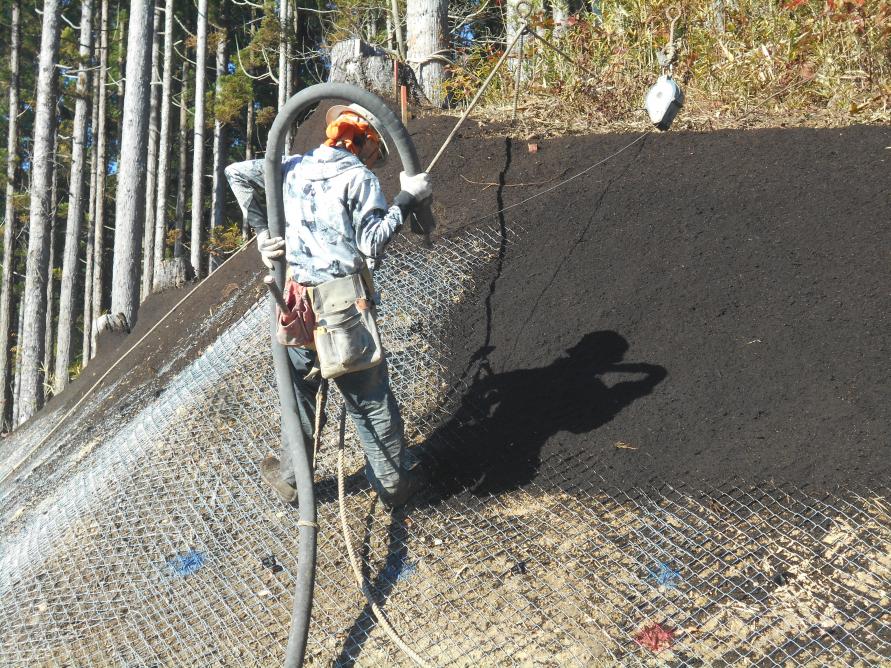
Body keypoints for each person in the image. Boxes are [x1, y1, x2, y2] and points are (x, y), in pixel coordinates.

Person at [225, 103, 432, 509]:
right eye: (376, 153)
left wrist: (263, 232)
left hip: (297, 303)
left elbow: (237, 173)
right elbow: (372, 245)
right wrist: (408, 198)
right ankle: (394, 482)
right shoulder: (360, 178)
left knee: (300, 394)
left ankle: (291, 480)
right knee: (368, 398)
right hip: (342, 308)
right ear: (368, 144)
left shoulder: (291, 166)